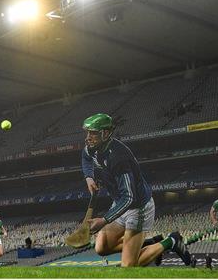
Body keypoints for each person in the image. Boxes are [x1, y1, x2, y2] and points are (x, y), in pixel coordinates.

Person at [81, 113, 192, 267]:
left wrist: (104, 220)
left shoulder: (119, 157)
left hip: (138, 208)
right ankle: (150, 243)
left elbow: (129, 198)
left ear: (105, 133)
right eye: (88, 132)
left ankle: (171, 241)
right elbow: (85, 158)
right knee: (101, 248)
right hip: (119, 203)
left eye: (93, 133)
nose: (88, 137)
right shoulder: (92, 148)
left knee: (128, 266)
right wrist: (89, 177)